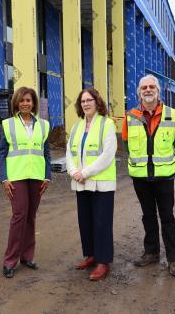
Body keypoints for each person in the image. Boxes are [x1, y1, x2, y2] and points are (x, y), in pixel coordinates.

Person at [122, 74, 175, 277]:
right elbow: (126, 143)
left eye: (151, 87)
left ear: (158, 91)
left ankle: (173, 259)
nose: (147, 90)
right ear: (138, 92)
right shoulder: (130, 116)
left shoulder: (171, 114)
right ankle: (151, 252)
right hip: (140, 177)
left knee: (167, 217)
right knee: (148, 216)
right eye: (144, 87)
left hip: (164, 177)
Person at [0, 87, 51, 278]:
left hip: (37, 178)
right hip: (16, 177)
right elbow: (2, 152)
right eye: (21, 100)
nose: (25, 104)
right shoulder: (8, 124)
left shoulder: (44, 125)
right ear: (16, 103)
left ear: (33, 103)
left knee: (31, 216)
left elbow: (45, 152)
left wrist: (48, 176)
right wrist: (4, 178)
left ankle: (27, 256)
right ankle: (10, 260)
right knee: (19, 215)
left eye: (28, 100)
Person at [66, 88, 117, 281]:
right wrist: (72, 171)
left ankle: (103, 262)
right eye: (83, 101)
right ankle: (91, 255)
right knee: (85, 221)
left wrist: (84, 173)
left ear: (97, 102)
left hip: (101, 184)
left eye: (89, 100)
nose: (86, 103)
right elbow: (69, 152)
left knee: (102, 223)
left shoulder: (107, 124)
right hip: (81, 182)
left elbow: (107, 155)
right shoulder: (77, 125)